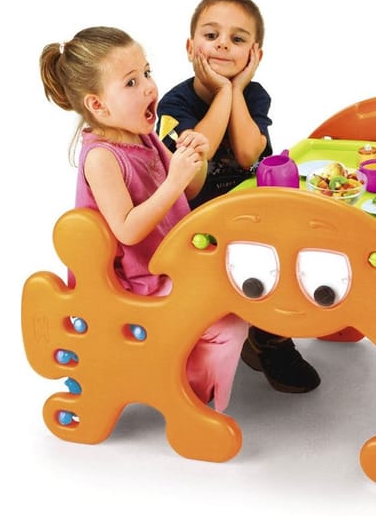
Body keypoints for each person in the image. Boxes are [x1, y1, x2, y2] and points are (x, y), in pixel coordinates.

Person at [40, 26, 248, 413]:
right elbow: (128, 229)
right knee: (227, 324)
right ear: (98, 105)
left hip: (170, 264)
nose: (149, 87)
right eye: (131, 82)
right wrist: (174, 180)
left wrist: (194, 157)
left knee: (233, 297)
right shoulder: (102, 157)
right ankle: (191, 399)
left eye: (147, 72)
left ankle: (186, 380)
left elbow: (188, 189)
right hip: (136, 283)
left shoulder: (144, 136)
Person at [157, 0, 320, 394]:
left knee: (302, 236)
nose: (223, 46)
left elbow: (249, 153)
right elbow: (199, 155)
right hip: (198, 223)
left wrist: (239, 90)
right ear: (190, 47)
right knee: (261, 253)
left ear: (254, 54)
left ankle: (268, 335)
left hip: (255, 211)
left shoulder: (256, 94)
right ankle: (268, 339)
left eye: (238, 39)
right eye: (211, 35)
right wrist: (225, 92)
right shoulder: (174, 103)